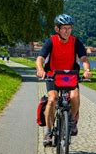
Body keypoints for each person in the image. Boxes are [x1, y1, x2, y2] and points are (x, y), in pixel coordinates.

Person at [36, 14, 92, 146]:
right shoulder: (51, 41)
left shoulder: (75, 41)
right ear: (57, 29)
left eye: (69, 28)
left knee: (75, 96)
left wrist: (86, 70)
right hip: (53, 75)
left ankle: (71, 121)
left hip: (70, 76)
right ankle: (49, 131)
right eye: (64, 28)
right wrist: (40, 69)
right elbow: (41, 58)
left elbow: (83, 58)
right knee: (52, 99)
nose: (67, 31)